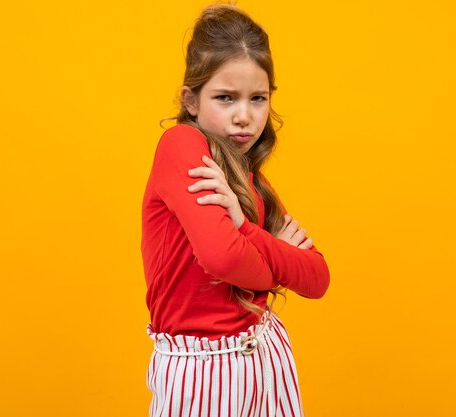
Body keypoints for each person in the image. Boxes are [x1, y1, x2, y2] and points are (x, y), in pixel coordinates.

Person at [140, 3, 330, 416]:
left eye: (257, 98)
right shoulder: (182, 146)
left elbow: (317, 278)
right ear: (191, 100)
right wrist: (276, 262)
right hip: (201, 372)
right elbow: (223, 259)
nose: (245, 116)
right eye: (225, 98)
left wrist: (244, 226)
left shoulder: (251, 181)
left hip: (266, 354)